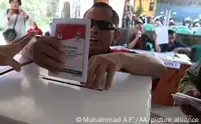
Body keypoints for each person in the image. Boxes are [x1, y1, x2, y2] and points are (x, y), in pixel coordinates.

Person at [21, 2, 166, 90]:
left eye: (103, 25)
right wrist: (33, 49)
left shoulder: (119, 57)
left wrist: (123, 59)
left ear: (116, 36)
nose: (94, 29)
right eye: (88, 24)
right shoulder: (61, 48)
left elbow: (159, 67)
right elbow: (21, 45)